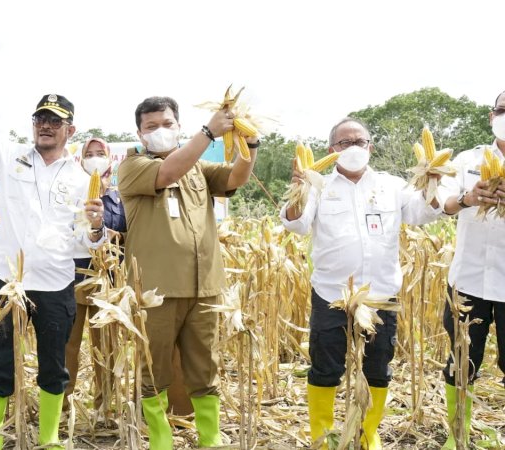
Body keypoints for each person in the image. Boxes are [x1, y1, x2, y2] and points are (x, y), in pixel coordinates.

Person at [0, 72, 106, 449]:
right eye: (40, 120)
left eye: (55, 121)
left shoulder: (84, 180)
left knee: (54, 367)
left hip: (55, 285)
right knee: (0, 364)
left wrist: (97, 227)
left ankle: (49, 439)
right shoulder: (9, 158)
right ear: (33, 125)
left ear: (70, 129)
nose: (46, 127)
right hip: (8, 283)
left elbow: (86, 240)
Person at [280, 118, 444, 450]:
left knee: (377, 368)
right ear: (331, 150)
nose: (353, 148)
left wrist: (431, 183)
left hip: (381, 294)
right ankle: (321, 437)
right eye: (344, 143)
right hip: (331, 294)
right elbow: (295, 225)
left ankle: (369, 434)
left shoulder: (393, 185)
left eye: (360, 142)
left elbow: (424, 214)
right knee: (325, 368)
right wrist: (299, 188)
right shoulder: (318, 186)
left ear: (370, 147)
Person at [118, 96, 257, 448]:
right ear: (139, 133)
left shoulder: (199, 169)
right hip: (156, 291)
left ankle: (210, 440)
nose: (160, 131)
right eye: (151, 127)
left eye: (167, 124)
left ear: (178, 127)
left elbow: (236, 176)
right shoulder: (133, 166)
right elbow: (168, 171)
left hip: (204, 287)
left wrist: (249, 143)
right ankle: (161, 440)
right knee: (153, 370)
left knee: (205, 369)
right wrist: (210, 131)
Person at [436, 91, 505, 450]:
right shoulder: (468, 159)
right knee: (462, 359)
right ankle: (457, 435)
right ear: (492, 114)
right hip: (468, 278)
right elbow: (443, 204)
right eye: (503, 109)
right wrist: (469, 198)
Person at [63, 138, 127, 413]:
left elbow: (129, 234)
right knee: (68, 346)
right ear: (81, 160)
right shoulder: (72, 196)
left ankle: (106, 405)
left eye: (100, 153)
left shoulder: (118, 199)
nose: (95, 158)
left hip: (108, 282)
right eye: (89, 154)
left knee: (107, 347)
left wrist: (116, 237)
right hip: (75, 276)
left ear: (110, 159)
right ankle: (63, 405)